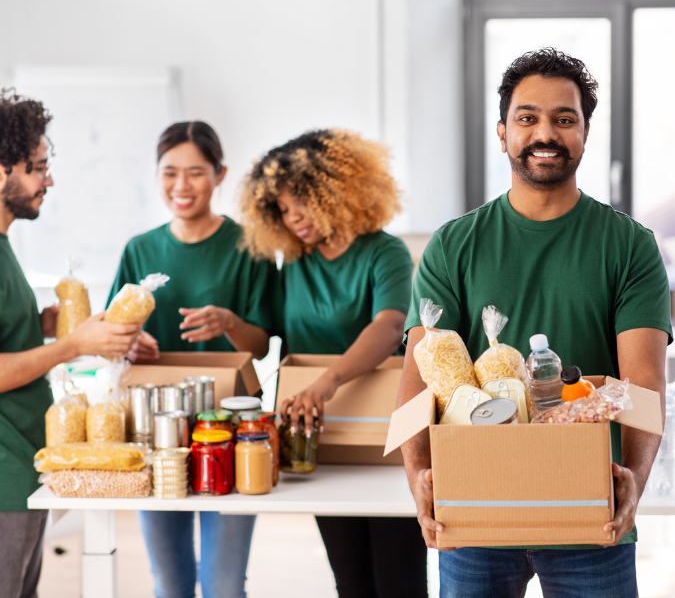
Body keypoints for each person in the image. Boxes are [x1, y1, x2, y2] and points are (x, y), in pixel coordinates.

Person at [398, 48, 672, 598]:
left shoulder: (628, 246)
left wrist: (634, 487)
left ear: (585, 133)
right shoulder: (455, 244)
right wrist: (420, 480)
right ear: (502, 133)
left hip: (590, 507)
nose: (545, 133)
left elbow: (643, 382)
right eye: (527, 118)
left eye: (563, 119)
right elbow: (419, 376)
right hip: (475, 506)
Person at [239, 128, 428, 598]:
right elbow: (270, 340)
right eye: (281, 209)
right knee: (350, 581)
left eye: (300, 200)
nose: (292, 217)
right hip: (320, 435)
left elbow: (388, 327)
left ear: (334, 189)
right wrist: (229, 321)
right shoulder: (296, 262)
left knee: (399, 580)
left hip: (384, 433)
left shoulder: (383, 251)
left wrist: (328, 381)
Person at [108, 120, 276, 598]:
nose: (181, 186)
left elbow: (263, 344)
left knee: (223, 585)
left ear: (219, 174)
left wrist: (228, 323)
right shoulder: (139, 249)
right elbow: (112, 335)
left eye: (196, 172)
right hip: (152, 431)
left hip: (230, 426)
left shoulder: (249, 248)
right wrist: (128, 342)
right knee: (170, 584)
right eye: (169, 173)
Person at [0, 89, 142, 598]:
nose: (49, 179)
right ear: (1, 173)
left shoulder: (5, 244)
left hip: (22, 461)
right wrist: (73, 344)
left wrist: (45, 323)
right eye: (37, 168)